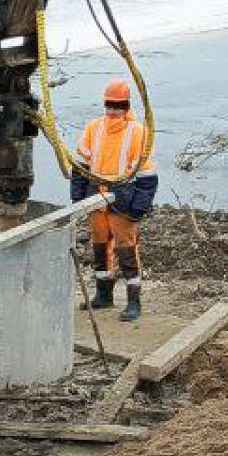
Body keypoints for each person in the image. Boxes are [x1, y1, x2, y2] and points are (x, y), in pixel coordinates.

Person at [71, 79, 158, 321]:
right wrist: (78, 198)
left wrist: (140, 206)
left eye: (118, 106)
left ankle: (133, 301)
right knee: (99, 246)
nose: (112, 111)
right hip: (95, 198)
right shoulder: (93, 128)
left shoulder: (138, 132)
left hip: (123, 200)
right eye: (109, 105)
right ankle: (104, 296)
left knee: (126, 249)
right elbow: (80, 165)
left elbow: (147, 174)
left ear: (126, 105)